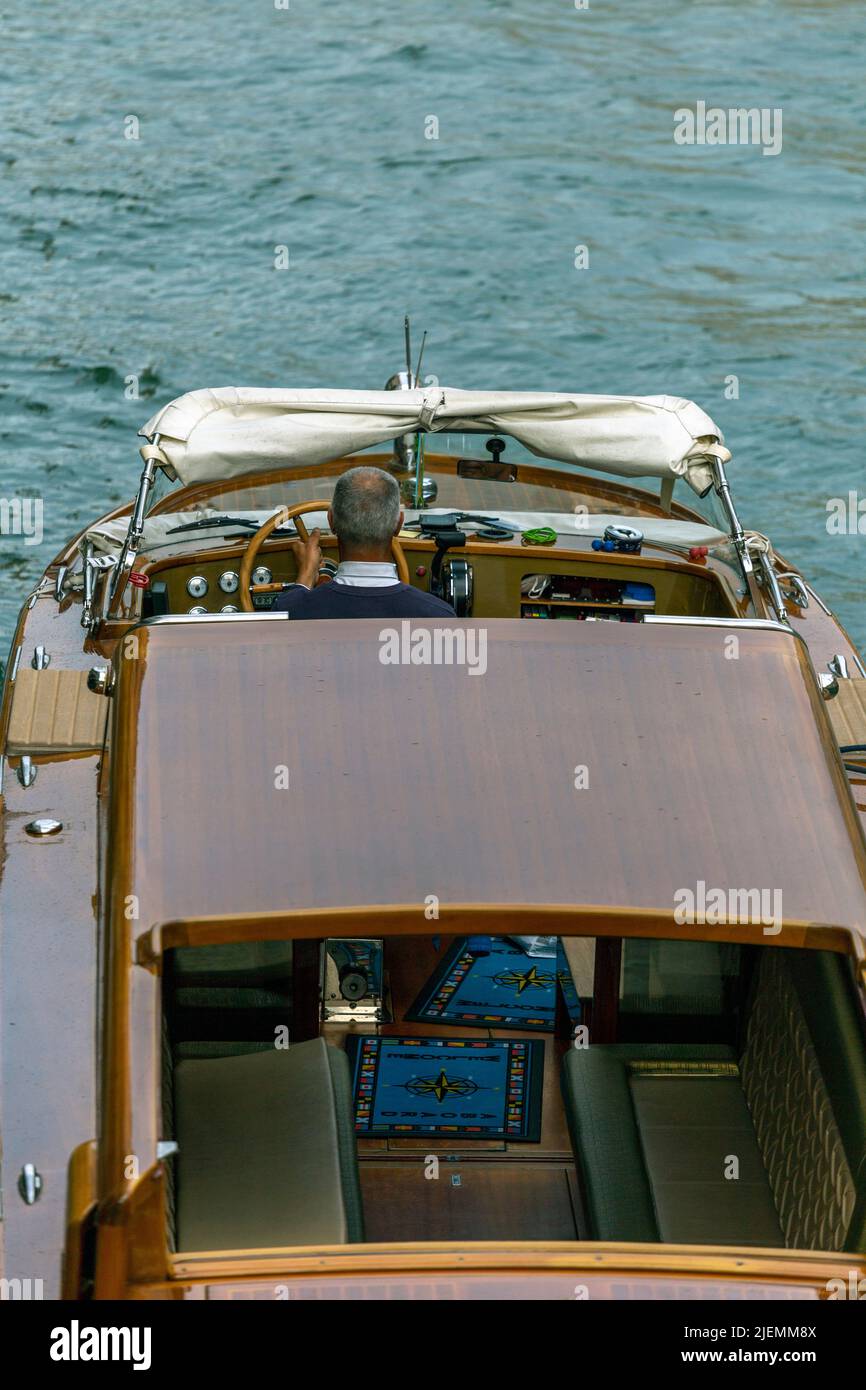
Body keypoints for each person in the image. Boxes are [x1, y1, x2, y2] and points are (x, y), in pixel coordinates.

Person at [274, 466, 456, 619]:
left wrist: (305, 576)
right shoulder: (439, 616)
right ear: (399, 524)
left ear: (331, 520)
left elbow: (289, 615)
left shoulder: (291, 610)